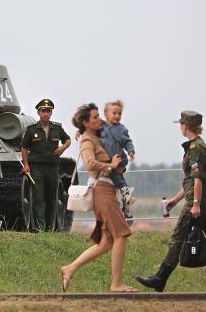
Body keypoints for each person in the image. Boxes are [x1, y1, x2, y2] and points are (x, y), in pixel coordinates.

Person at [137, 111, 206, 293]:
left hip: (199, 200)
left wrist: (195, 204)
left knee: (177, 237)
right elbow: (190, 180)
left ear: (185, 126)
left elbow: (198, 180)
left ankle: (160, 278)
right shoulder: (197, 146)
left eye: (181, 124)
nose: (180, 127)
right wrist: (175, 200)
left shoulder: (195, 149)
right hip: (205, 199)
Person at [61, 103, 135, 293]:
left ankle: (69, 268)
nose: (99, 120)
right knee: (121, 235)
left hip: (108, 190)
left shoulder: (98, 135)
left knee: (106, 243)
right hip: (102, 191)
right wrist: (110, 165)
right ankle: (116, 284)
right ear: (86, 123)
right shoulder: (87, 140)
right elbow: (90, 163)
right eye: (95, 118)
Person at [20, 98, 71, 232]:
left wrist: (63, 148)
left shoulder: (57, 128)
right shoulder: (31, 130)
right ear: (38, 112)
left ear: (51, 113)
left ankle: (50, 227)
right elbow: (24, 148)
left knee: (51, 198)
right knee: (38, 197)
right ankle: (39, 227)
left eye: (48, 111)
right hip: (37, 167)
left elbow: (68, 139)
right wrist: (26, 164)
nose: (46, 113)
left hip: (53, 167)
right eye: (43, 111)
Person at [100, 100, 137, 218]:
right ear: (106, 113)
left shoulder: (121, 129)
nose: (117, 116)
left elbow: (127, 142)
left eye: (119, 114)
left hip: (119, 159)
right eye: (114, 113)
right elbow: (88, 128)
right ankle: (126, 200)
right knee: (118, 177)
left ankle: (125, 194)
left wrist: (131, 151)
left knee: (115, 175)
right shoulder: (100, 126)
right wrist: (79, 131)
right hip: (107, 160)